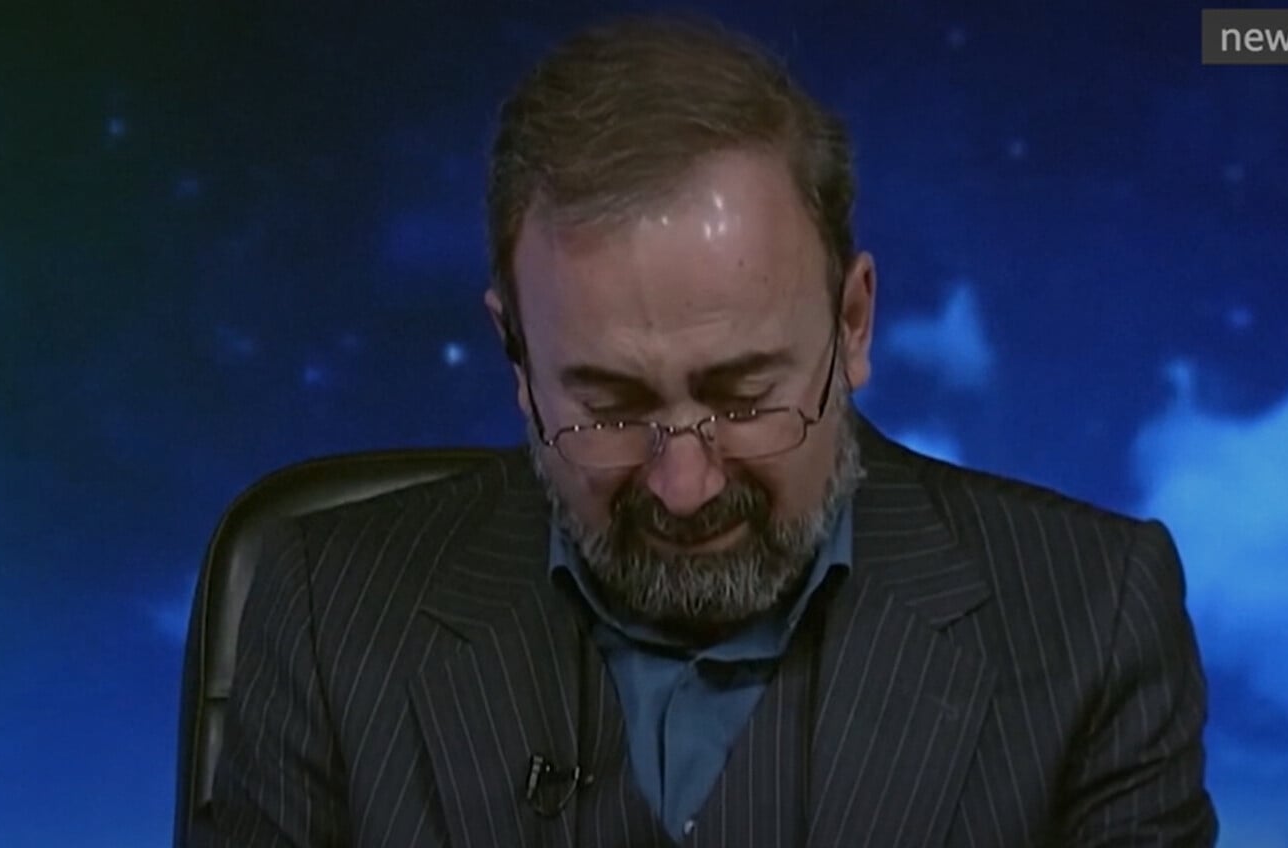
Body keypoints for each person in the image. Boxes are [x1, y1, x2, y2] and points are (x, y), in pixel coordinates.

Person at [192, 14, 1217, 847]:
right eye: (610, 406)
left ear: (853, 323)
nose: (683, 484)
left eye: (742, 397)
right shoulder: (328, 611)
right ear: (515, 357)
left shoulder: (1090, 617)